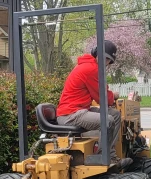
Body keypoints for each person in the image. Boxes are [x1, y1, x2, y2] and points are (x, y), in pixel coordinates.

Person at [56, 40, 132, 170]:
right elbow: (102, 98)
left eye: (108, 59)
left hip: (78, 110)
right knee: (107, 121)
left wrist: (109, 95)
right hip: (70, 114)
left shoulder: (89, 65)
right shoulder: (91, 69)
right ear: (96, 54)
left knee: (114, 114)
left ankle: (110, 154)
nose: (106, 62)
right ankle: (104, 157)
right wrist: (113, 96)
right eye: (104, 58)